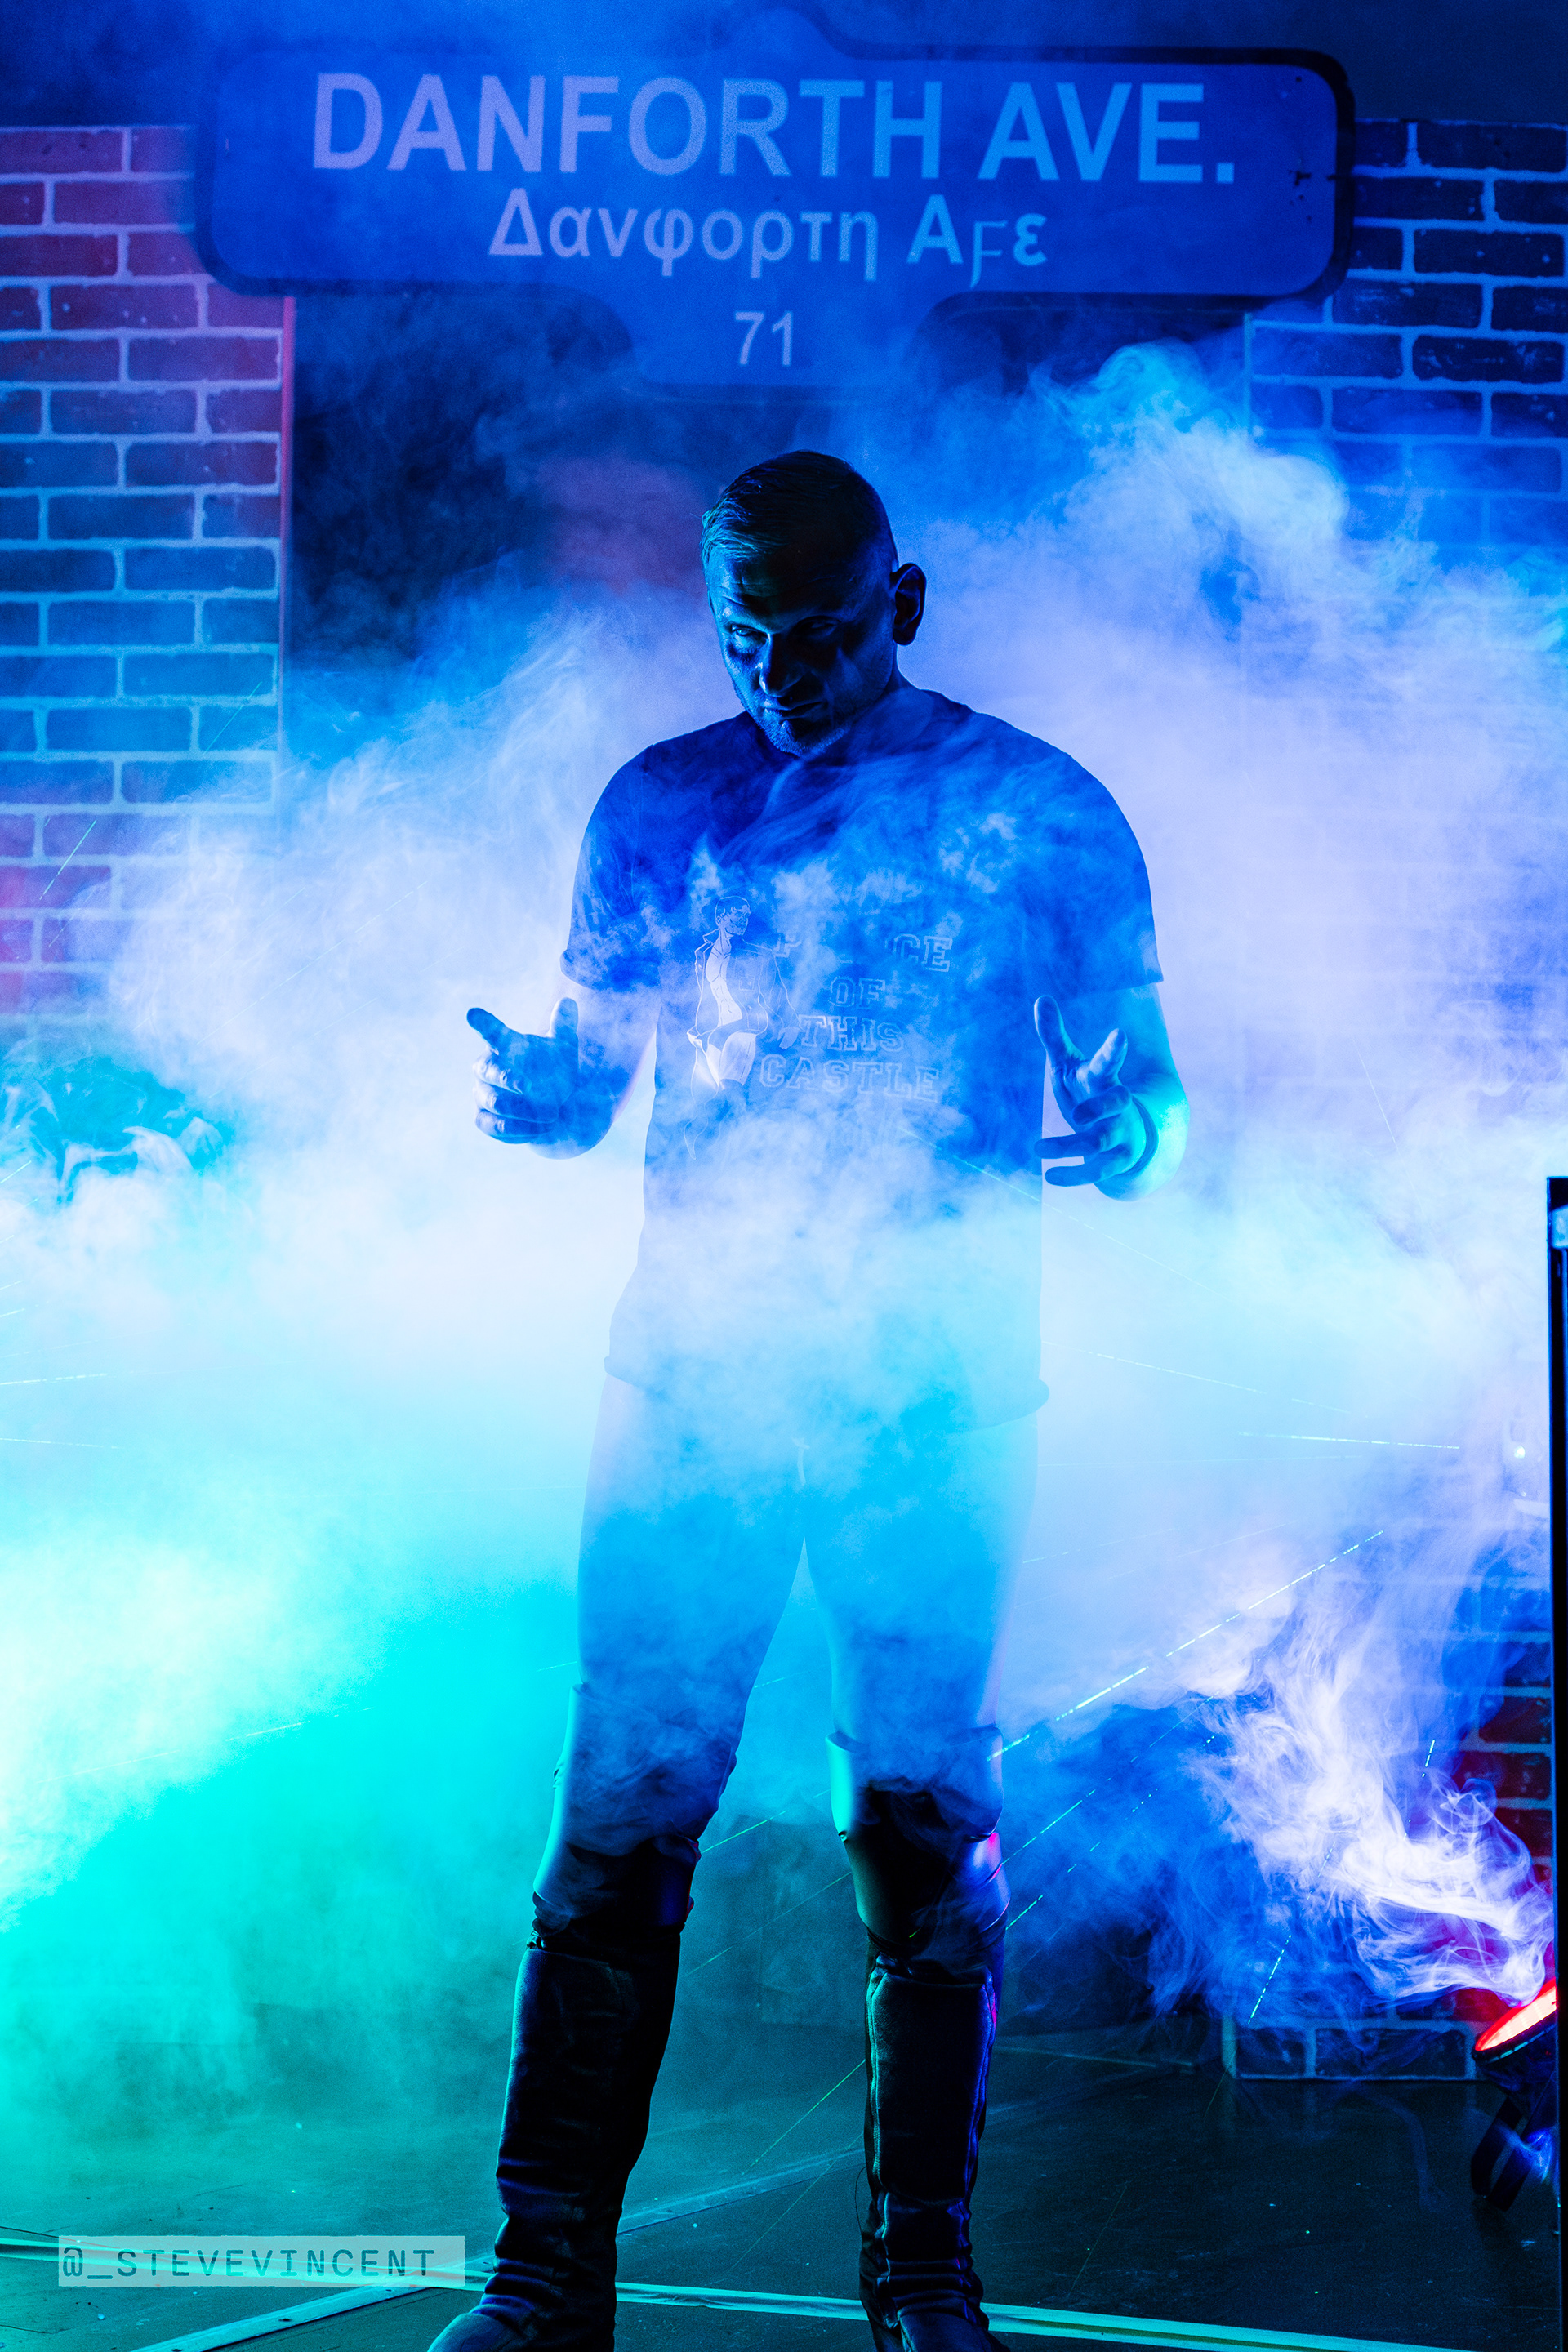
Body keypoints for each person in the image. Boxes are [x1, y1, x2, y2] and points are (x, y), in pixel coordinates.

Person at [434, 452, 1187, 2352]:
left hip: (935, 1406)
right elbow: (594, 1076)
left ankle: (924, 2277)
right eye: (744, 637)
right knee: (618, 1826)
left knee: (922, 1829)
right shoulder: (659, 804)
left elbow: (1153, 1085)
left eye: (822, 635)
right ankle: (542, 2281)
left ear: (902, 606)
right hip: (692, 1390)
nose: (782, 675)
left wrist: (1136, 1127)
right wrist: (545, 1100)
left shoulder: (1042, 812)